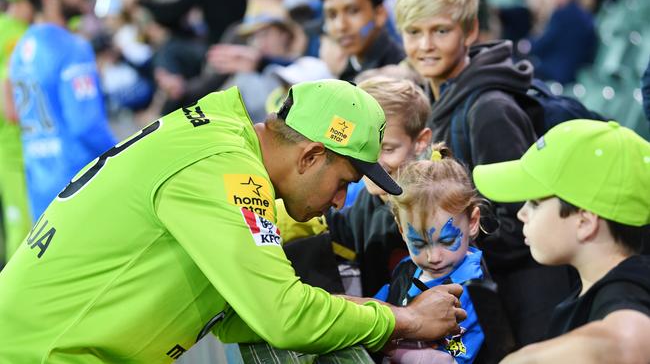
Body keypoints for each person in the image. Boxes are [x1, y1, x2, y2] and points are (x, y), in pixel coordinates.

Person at [0, 79, 467, 363]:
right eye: (342, 181)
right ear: (311, 156)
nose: (341, 202)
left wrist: (373, 317)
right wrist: (403, 319)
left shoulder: (222, 144)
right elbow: (283, 316)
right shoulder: (227, 170)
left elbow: (237, 315)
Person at [394, 0, 574, 345]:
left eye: (440, 31)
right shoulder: (442, 99)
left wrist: (449, 233)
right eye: (413, 32)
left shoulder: (489, 109)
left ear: (470, 30)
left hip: (526, 304)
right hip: (491, 300)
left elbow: (525, 221)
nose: (425, 45)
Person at [473, 119, 650, 363]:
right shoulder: (593, 286)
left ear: (585, 223)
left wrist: (527, 359)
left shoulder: (624, 290)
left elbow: (631, 340)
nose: (521, 213)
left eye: (534, 203)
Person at [374, 144, 484, 364]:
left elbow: (453, 360)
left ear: (472, 222)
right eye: (418, 243)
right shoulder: (406, 268)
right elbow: (376, 309)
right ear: (402, 231)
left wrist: (390, 350)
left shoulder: (471, 289)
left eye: (447, 241)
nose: (433, 257)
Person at [8, 0, 116, 221]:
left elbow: (13, 114)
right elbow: (86, 125)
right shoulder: (72, 47)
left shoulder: (20, 50)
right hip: (81, 188)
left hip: (40, 196)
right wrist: (123, 158)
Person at [327, 76, 432, 297]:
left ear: (421, 141)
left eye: (389, 149)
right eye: (363, 146)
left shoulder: (435, 205)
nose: (373, 162)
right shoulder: (366, 201)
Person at [0, 0, 35, 264]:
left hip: (34, 145)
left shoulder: (32, 30)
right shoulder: (6, 31)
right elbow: (8, 104)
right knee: (21, 228)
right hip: (11, 149)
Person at [322, 0, 405, 81]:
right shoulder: (348, 68)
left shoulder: (399, 75)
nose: (340, 26)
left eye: (353, 11)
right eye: (332, 15)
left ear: (379, 14)